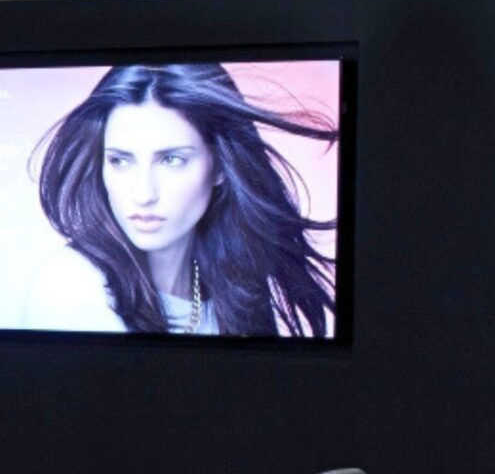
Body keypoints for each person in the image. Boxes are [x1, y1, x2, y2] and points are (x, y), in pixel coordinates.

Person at [23, 63, 338, 337]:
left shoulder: (229, 296)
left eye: (171, 160)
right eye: (120, 160)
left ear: (218, 167)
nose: (143, 194)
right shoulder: (71, 283)